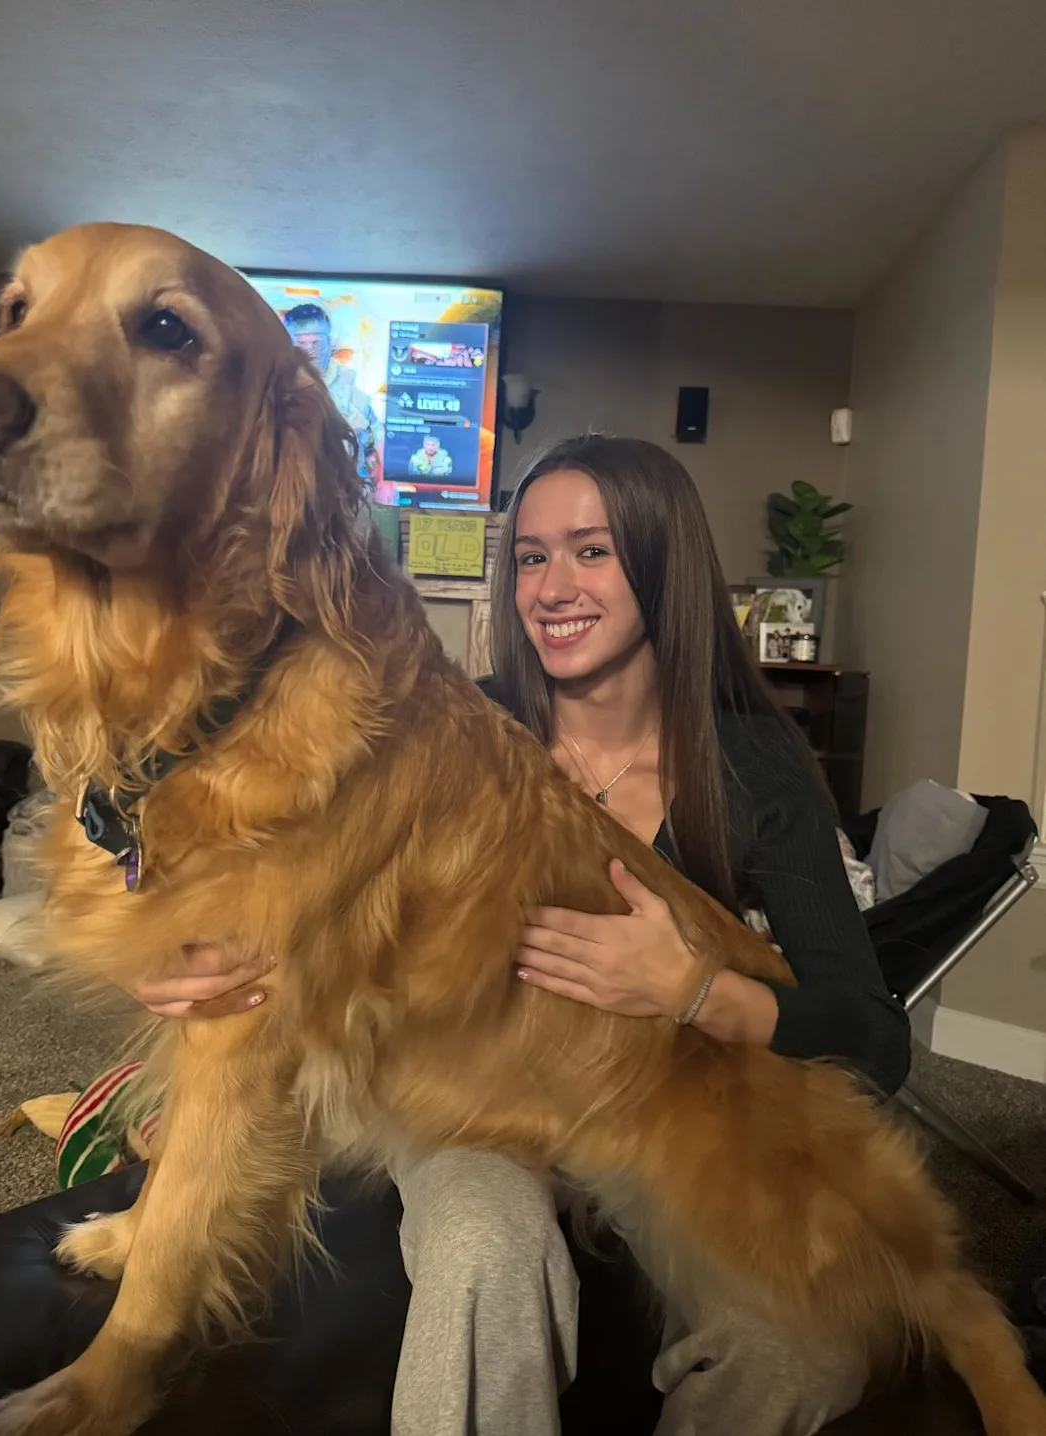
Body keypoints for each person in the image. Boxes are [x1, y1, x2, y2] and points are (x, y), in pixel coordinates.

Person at [125, 435, 911, 1436]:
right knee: (481, 1243)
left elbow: (875, 1040)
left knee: (810, 1343)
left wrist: (697, 988)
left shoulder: (752, 763)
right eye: (530, 556)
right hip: (466, 1098)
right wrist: (186, 947)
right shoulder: (452, 729)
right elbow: (291, 887)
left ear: (662, 564)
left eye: (590, 550)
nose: (551, 585)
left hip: (653, 1106)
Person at [281, 302, 385, 487]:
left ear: (329, 343)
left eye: (316, 342)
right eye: (301, 343)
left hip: (343, 496)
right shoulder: (273, 393)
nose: (310, 350)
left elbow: (374, 452)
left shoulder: (355, 396)